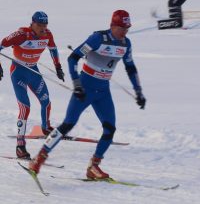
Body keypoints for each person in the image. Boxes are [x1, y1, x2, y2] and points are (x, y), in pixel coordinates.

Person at [29, 9, 146, 179]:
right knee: (67, 125)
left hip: (103, 91)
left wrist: (139, 92)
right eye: (122, 28)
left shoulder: (125, 44)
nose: (124, 32)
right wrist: (77, 84)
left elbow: (130, 67)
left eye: (127, 28)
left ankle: (94, 166)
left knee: (110, 129)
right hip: (85, 87)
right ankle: (38, 159)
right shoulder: (98, 38)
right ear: (113, 25)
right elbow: (73, 58)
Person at [0, 11, 65, 159]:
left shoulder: (47, 34)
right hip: (19, 72)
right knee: (25, 107)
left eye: (45, 25)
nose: (43, 28)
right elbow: (1, 45)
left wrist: (58, 67)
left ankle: (46, 127)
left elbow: (53, 49)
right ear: (32, 23)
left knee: (46, 101)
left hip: (33, 71)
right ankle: (20, 145)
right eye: (40, 25)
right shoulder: (21, 34)